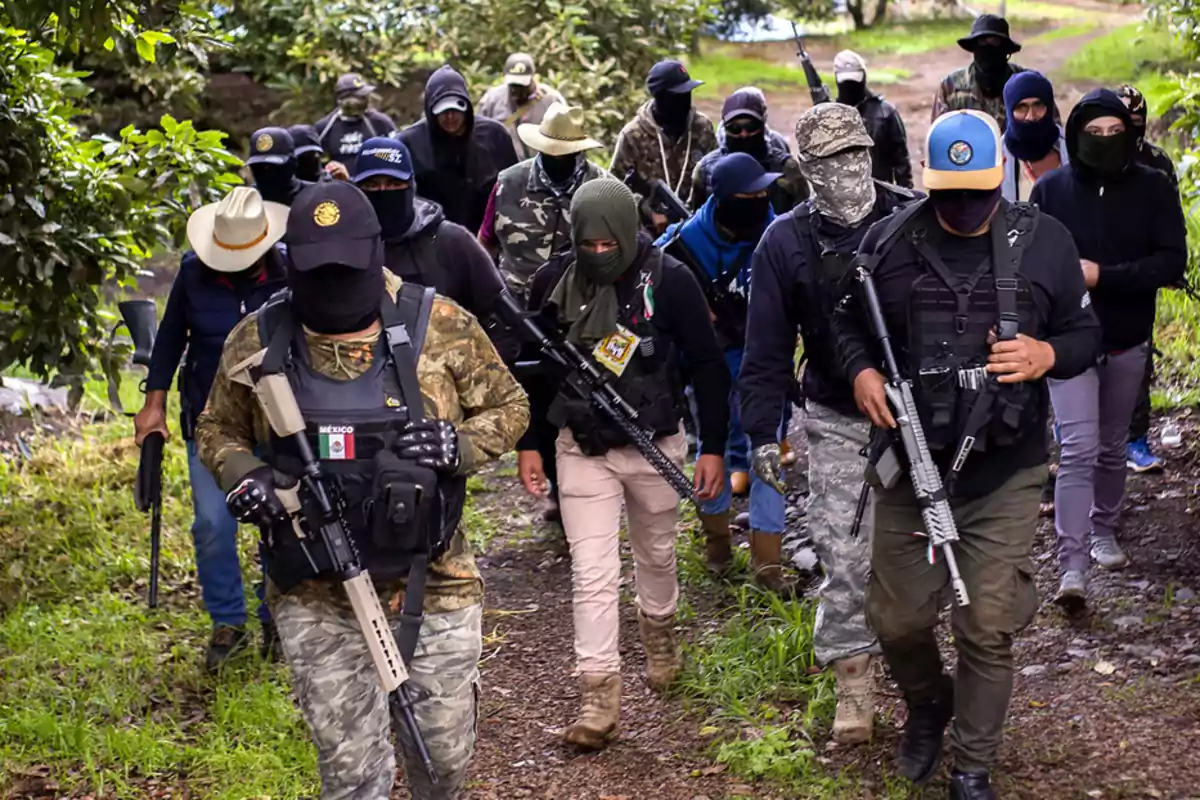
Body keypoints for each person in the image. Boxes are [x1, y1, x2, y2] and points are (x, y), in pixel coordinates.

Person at [195, 180, 529, 798]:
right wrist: (245, 477)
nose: (333, 285)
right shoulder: (258, 339)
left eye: (346, 269)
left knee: (442, 762)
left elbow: (511, 405)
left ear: (377, 254)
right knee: (349, 774)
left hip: (435, 586)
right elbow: (216, 427)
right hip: (314, 594)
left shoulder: (440, 324)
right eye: (318, 271)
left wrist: (459, 446)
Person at [835, 110, 1100, 799]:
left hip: (1002, 469)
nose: (962, 211)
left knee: (985, 621)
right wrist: (861, 370)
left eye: (976, 196)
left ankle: (973, 766)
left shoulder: (1045, 244)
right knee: (897, 620)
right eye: (949, 196)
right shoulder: (886, 244)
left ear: (999, 182)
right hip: (908, 464)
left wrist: (1044, 353)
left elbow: (1084, 335)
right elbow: (845, 325)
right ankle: (929, 703)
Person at [514, 178, 728, 751]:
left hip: (656, 443)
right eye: (590, 246)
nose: (600, 255)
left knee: (656, 555)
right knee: (592, 574)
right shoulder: (551, 283)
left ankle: (659, 633)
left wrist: (714, 447)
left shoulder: (670, 280)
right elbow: (536, 374)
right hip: (582, 450)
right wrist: (530, 443)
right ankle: (598, 695)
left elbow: (708, 365)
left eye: (611, 245)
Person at [740, 103, 919, 745]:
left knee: (927, 550)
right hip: (837, 415)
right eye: (832, 161)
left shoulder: (911, 218)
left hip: (922, 414)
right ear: (808, 170)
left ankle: (923, 676)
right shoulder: (784, 242)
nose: (848, 170)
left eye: (857, 154)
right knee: (843, 550)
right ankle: (853, 677)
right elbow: (764, 351)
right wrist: (764, 433)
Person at [1031, 89, 1186, 607]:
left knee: (1112, 443)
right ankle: (1071, 567)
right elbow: (1029, 267)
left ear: (1131, 135)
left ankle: (1103, 529)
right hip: (1067, 346)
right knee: (1076, 448)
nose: (1103, 142)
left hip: (1125, 338)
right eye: (1092, 133)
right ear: (1074, 135)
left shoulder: (1154, 188)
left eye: (1114, 133)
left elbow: (1170, 264)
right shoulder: (1050, 192)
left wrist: (1105, 276)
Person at [134, 186, 289, 672]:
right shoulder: (193, 272)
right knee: (212, 525)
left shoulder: (289, 272)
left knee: (278, 519)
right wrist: (152, 404)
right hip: (207, 416)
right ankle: (228, 623)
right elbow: (169, 340)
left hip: (277, 418)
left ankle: (275, 615)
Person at [656, 152, 792, 592]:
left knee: (765, 453)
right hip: (708, 365)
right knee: (712, 448)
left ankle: (768, 568)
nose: (761, 199)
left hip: (766, 360)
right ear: (722, 199)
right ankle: (717, 548)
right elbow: (650, 287)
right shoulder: (685, 243)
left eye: (763, 192)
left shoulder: (776, 230)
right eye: (749, 195)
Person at [353, 136, 507, 321]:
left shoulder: (452, 242)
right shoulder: (343, 246)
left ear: (411, 186)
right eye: (372, 185)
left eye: (394, 183)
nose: (383, 192)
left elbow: (499, 313)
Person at [479, 102, 608, 298]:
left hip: (579, 306)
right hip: (514, 303)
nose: (557, 159)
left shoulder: (604, 189)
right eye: (551, 153)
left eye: (564, 154)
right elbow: (486, 241)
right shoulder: (508, 183)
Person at [1118, 83, 1178, 474]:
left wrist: (1170, 265)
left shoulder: (1157, 163)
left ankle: (1135, 439)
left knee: (1138, 356)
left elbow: (1171, 224)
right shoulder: (1083, 160)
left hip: (1140, 275)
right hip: (1090, 272)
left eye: (1136, 123)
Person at [397, 65, 519, 236]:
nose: (450, 117)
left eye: (456, 109)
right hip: (432, 241)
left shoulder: (494, 136)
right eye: (443, 111)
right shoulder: (409, 143)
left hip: (487, 239)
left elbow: (513, 190)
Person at [610, 60, 718, 230]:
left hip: (699, 229)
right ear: (659, 97)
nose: (685, 101)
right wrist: (646, 209)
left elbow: (717, 174)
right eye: (677, 96)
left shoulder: (702, 127)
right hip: (649, 234)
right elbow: (614, 189)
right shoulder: (633, 136)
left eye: (687, 93)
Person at [689, 88, 808, 213]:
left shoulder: (787, 168)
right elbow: (695, 214)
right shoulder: (705, 169)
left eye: (751, 127)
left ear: (762, 125)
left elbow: (805, 218)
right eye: (735, 128)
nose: (744, 134)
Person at [932, 14, 1026, 131]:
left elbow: (1053, 136)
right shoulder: (950, 88)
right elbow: (940, 138)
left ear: (1006, 49)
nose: (988, 48)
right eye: (982, 41)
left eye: (995, 42)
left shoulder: (1027, 85)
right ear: (973, 47)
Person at [832, 50, 913, 187]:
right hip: (842, 197)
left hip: (880, 194)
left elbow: (901, 161)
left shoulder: (885, 113)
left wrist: (906, 196)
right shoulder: (829, 115)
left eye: (854, 81)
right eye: (846, 82)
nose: (850, 87)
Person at [476, 52, 567, 160]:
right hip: (504, 170)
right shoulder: (491, 101)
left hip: (543, 169)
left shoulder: (552, 100)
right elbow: (479, 137)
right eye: (512, 85)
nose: (515, 90)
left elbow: (568, 138)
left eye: (521, 86)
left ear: (532, 79)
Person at [1000, 71, 1066, 202]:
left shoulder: (1073, 149)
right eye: (1021, 107)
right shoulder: (996, 157)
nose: (1031, 116)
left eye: (1038, 105)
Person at [314, 72, 397, 176]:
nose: (366, 99)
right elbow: (316, 164)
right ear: (343, 100)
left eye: (365, 95)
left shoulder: (381, 123)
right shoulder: (325, 127)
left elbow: (397, 156)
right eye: (360, 96)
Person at [246, 127, 310, 206]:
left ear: (292, 163)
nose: (266, 172)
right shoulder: (246, 201)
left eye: (273, 166)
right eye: (258, 167)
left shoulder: (313, 196)